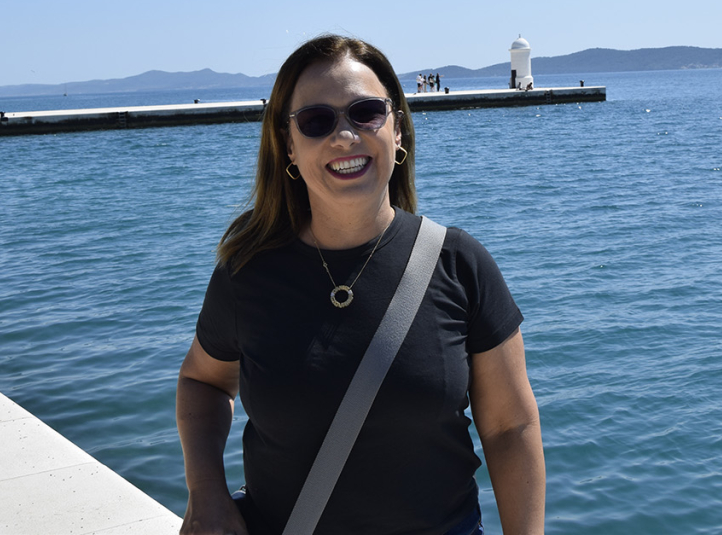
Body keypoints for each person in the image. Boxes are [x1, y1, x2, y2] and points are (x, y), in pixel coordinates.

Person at [177, 35, 545, 535]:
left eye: (366, 112)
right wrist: (206, 493)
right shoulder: (247, 273)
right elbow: (202, 382)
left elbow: (510, 428)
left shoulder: (459, 264)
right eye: (316, 121)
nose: (345, 136)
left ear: (398, 128)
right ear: (289, 146)